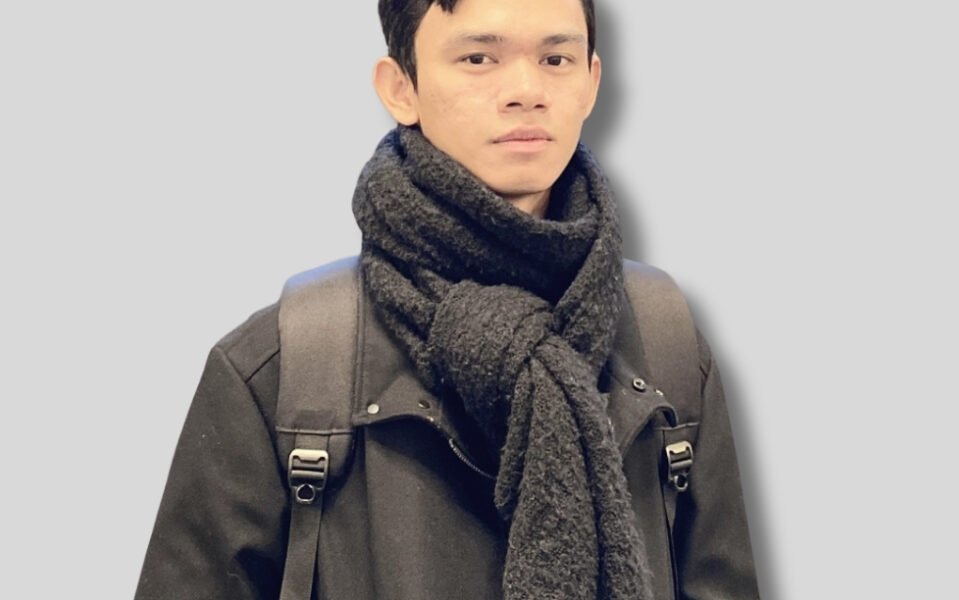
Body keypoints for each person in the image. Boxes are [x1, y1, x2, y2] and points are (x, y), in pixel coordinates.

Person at [135, 0, 761, 598]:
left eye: (556, 59)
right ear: (399, 88)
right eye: (478, 59)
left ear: (592, 83)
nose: (526, 90)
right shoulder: (284, 365)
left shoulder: (664, 340)